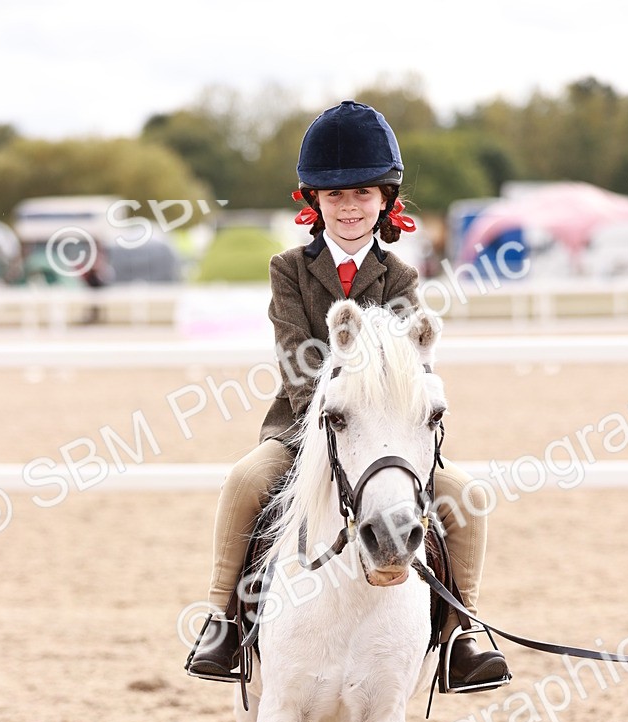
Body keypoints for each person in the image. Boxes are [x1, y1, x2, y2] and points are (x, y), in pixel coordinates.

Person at [187, 100, 509, 691]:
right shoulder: (288, 269)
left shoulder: (401, 278)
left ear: (385, 199)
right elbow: (295, 358)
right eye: (335, 195)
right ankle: (222, 620)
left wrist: (381, 412)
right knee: (244, 480)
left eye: (363, 193)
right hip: (303, 427)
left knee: (466, 494)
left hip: (385, 434)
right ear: (314, 201)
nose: (350, 207)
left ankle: (463, 633)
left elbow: (410, 365)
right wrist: (337, 409)